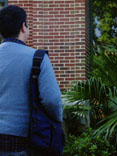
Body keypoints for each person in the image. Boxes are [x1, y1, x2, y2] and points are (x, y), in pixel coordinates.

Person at [0, 5, 63, 156]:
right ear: (23, 26)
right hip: (25, 138)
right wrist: (57, 121)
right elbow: (52, 101)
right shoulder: (38, 58)